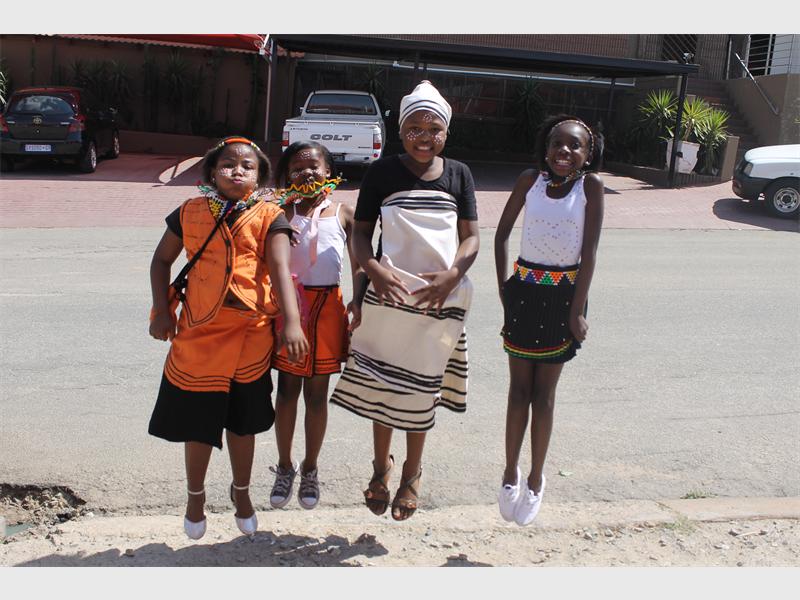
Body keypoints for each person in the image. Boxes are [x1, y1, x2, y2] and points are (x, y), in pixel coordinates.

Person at [330, 81, 480, 521]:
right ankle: (381, 468)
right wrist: (374, 271)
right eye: (414, 128)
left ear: (446, 133)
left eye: (434, 129)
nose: (424, 137)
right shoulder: (381, 172)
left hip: (439, 302)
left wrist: (453, 274)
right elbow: (361, 233)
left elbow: (471, 238)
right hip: (388, 296)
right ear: (400, 131)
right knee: (384, 387)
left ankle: (412, 474)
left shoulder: (459, 174)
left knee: (421, 390)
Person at [147, 135, 308, 540]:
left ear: (260, 176)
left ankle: (242, 493)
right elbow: (161, 260)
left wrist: (292, 321)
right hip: (199, 333)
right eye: (228, 164)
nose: (237, 171)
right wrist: (163, 310)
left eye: (247, 166)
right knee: (197, 423)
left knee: (242, 423)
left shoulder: (271, 215)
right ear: (212, 172)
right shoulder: (190, 211)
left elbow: (279, 267)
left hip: (251, 334)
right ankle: (195, 497)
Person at [494, 115, 604, 526]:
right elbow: (501, 234)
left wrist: (576, 310)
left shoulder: (590, 187)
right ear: (546, 147)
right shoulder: (530, 181)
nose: (564, 151)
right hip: (524, 291)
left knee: (544, 396)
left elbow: (589, 252)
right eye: (558, 143)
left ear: (587, 154)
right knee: (517, 392)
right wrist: (504, 289)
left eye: (575, 145)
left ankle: (536, 479)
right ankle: (510, 473)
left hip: (563, 297)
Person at [268, 141, 365, 510]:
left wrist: (359, 300)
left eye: (314, 166)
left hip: (328, 310)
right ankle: (284, 465)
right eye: (297, 168)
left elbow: (358, 262)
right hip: (290, 307)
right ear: (287, 176)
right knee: (286, 391)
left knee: (317, 395)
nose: (306, 172)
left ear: (328, 171)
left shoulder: (343, 212)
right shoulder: (279, 212)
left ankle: (310, 467)